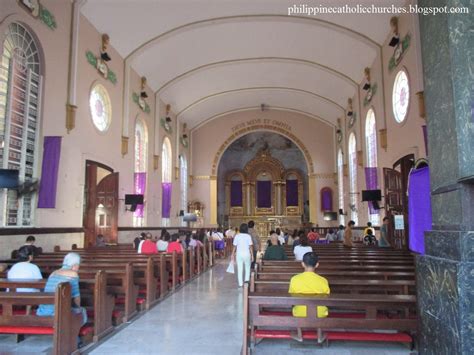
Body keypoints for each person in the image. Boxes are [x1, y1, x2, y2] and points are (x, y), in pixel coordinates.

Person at [288, 252, 330, 342]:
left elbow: (291, 296)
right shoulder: (323, 280)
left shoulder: (294, 279)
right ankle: (319, 336)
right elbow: (327, 297)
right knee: (320, 306)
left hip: (299, 312)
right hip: (320, 313)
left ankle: (299, 335)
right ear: (317, 264)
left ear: (302, 264)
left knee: (296, 306)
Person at [37, 252, 87, 326]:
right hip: (58, 312)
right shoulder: (73, 274)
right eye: (78, 265)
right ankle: (75, 333)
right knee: (82, 311)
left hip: (43, 311)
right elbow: (76, 297)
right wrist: (78, 309)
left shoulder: (53, 273)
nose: (78, 268)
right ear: (74, 265)